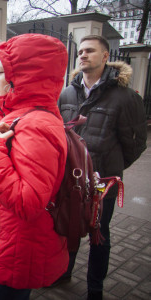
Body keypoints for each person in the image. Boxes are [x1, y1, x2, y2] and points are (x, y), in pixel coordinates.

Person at [0, 33, 69, 300]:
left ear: (21, 75)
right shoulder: (28, 117)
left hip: (15, 250)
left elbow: (27, 201)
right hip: (10, 244)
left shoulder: (35, 124)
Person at [57, 35, 147, 300]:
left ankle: (95, 287)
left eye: (90, 51)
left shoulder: (125, 97)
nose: (82, 55)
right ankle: (64, 272)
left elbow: (136, 143)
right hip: (70, 178)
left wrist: (112, 166)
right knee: (69, 225)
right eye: (81, 51)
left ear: (105, 56)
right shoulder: (67, 92)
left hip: (103, 181)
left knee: (99, 234)